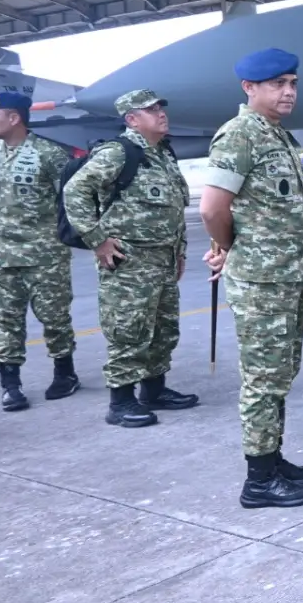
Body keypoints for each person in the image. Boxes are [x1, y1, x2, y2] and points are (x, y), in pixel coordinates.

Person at [200, 48, 303, 510]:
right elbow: (212, 208)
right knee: (263, 379)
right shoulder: (239, 135)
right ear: (249, 88)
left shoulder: (278, 135)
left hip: (286, 278)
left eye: (292, 82)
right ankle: (258, 481)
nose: (288, 91)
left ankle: (272, 460)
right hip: (261, 282)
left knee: (281, 373)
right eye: (277, 84)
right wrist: (228, 247)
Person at [63, 89, 195, 427]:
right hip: (129, 261)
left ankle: (154, 391)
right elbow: (75, 190)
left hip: (162, 259)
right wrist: (97, 241)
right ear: (132, 119)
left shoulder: (162, 153)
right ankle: (120, 403)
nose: (161, 114)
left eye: (161, 107)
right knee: (129, 330)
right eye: (150, 110)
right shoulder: (118, 153)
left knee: (163, 329)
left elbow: (173, 208)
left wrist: (178, 251)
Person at [0, 92, 79, 411]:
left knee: (54, 317)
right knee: (7, 318)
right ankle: (10, 384)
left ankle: (65, 373)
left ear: (15, 118)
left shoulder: (49, 154)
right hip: (3, 252)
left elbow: (71, 201)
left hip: (45, 253)